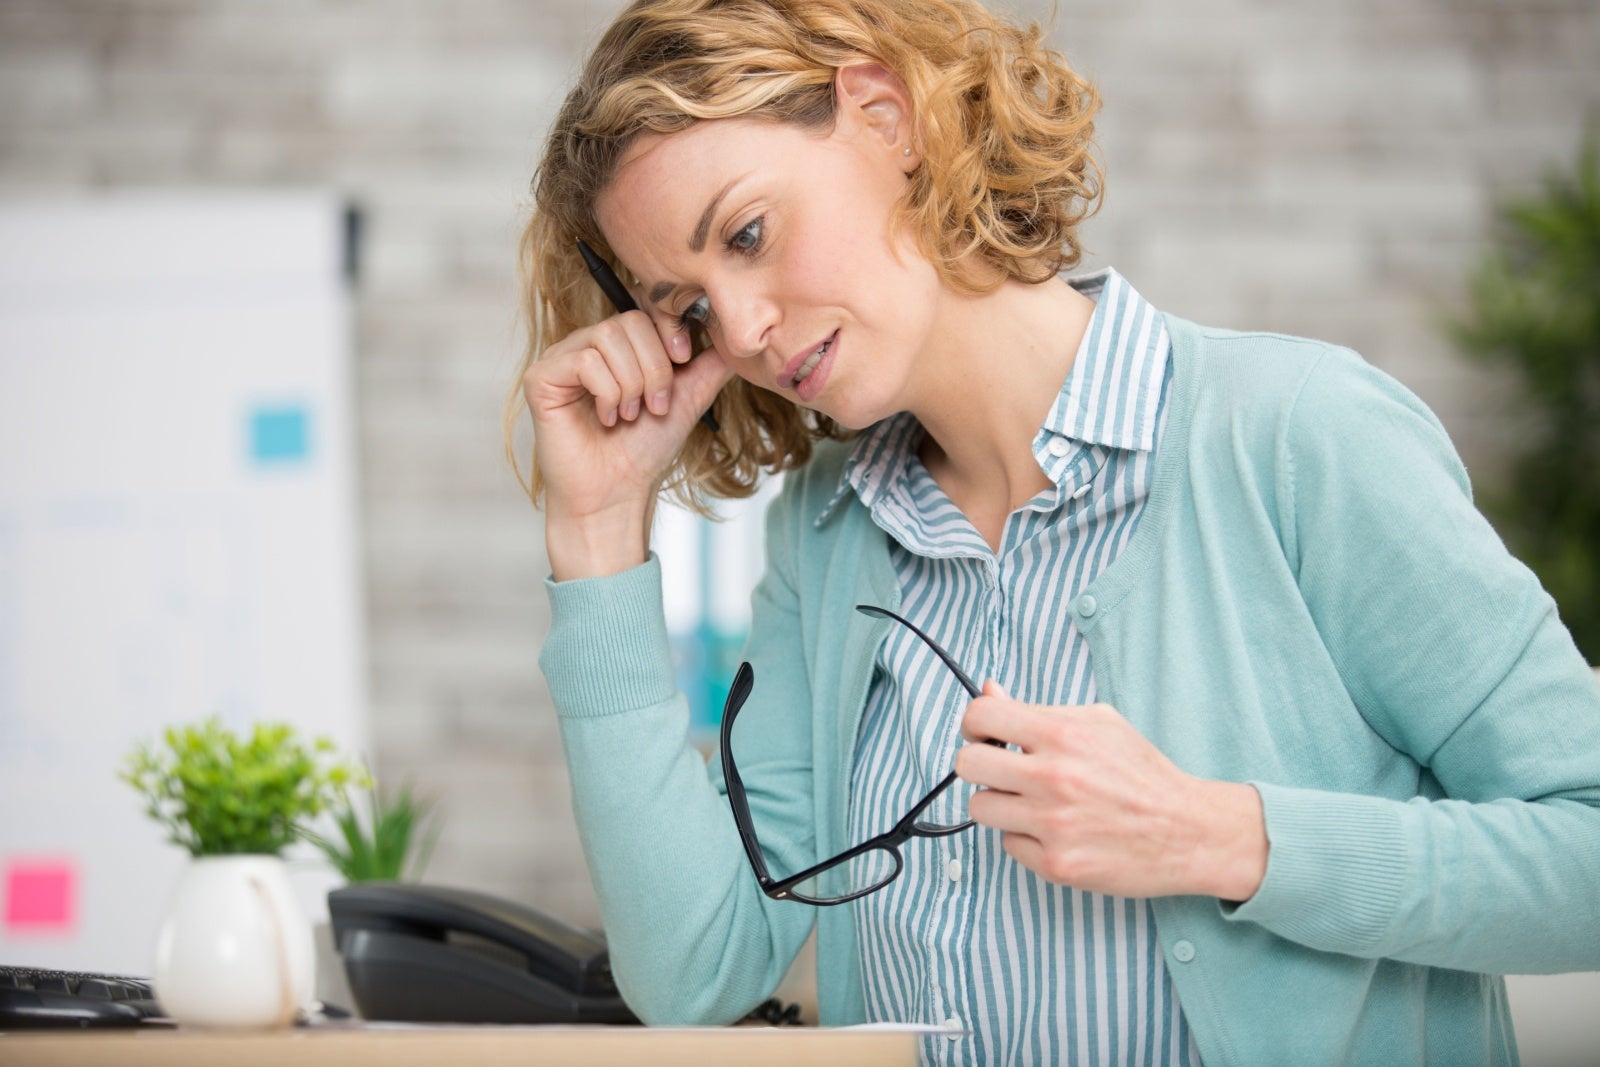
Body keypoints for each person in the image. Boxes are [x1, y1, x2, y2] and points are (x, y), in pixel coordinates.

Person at [504, 0, 1600, 1063]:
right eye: (688, 307)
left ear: (888, 119)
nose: (739, 329)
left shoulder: (1293, 435)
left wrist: (1222, 836)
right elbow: (695, 967)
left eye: (747, 233)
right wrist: (597, 534)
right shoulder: (825, 535)